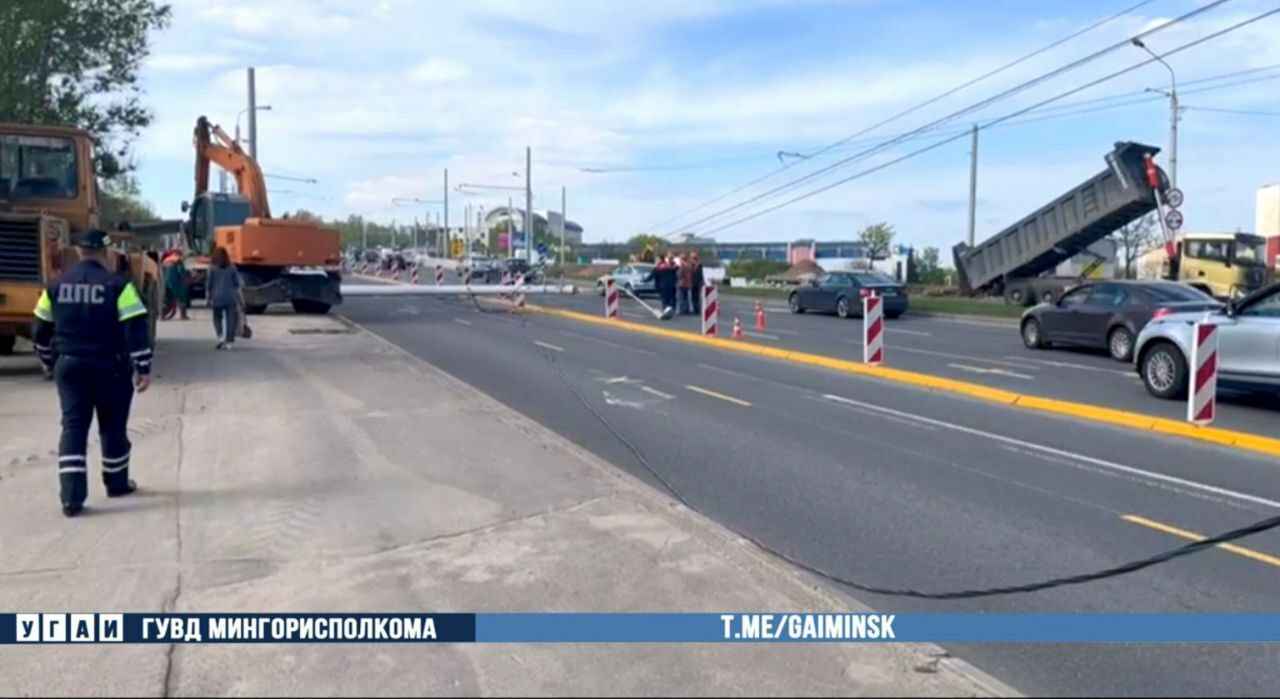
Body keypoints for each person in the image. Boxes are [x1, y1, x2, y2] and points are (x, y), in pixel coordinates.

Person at [31, 229, 152, 517]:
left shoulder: (55, 286)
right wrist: (143, 366)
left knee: (73, 427)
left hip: (70, 366)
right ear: (106, 253)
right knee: (112, 426)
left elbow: (39, 329)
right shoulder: (119, 285)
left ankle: (71, 498)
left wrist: (49, 360)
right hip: (111, 367)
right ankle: (117, 483)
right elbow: (136, 328)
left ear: (80, 252)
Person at [207, 246, 242, 350]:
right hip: (230, 297)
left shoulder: (212, 268)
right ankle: (229, 342)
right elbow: (237, 283)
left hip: (216, 297)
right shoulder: (232, 267)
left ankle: (220, 336)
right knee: (231, 319)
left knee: (217, 318)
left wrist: (208, 297)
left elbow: (209, 284)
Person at [161, 249, 189, 320]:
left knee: (169, 301)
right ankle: (183, 315)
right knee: (182, 299)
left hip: (166, 283)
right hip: (176, 283)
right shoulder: (178, 261)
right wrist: (185, 278)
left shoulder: (166, 260)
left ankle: (162, 315)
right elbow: (181, 271)